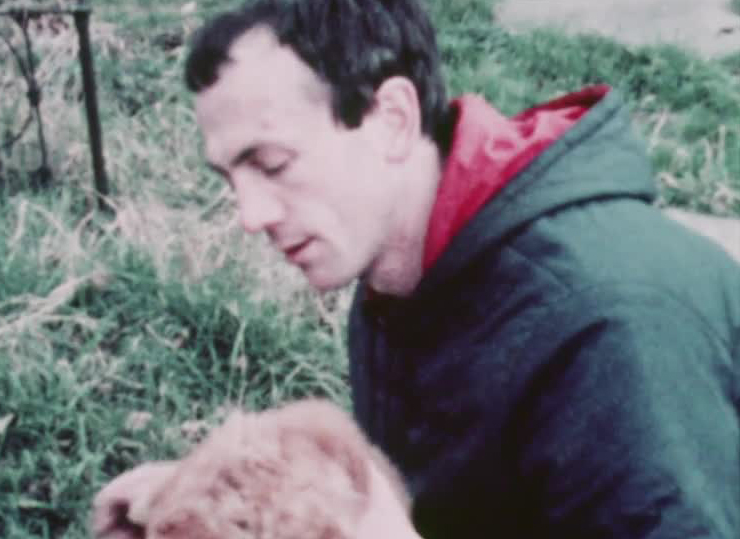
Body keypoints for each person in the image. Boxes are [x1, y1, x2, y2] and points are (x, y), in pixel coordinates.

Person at [94, 0, 740, 537]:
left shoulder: (608, 324)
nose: (249, 214)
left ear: (393, 119)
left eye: (272, 164)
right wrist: (210, 500)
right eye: (229, 177)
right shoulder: (404, 271)